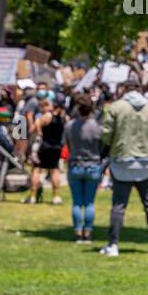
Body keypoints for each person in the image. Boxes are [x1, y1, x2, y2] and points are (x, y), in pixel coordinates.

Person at [99, 79, 148, 257]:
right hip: (147, 162)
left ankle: (113, 245)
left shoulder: (115, 108)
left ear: (124, 89)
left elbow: (106, 134)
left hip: (122, 161)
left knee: (119, 205)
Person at [63, 96, 103, 243]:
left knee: (77, 202)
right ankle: (88, 232)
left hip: (75, 164)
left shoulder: (69, 126)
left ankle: (78, 232)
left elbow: (67, 144)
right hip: (93, 165)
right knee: (89, 202)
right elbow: (102, 146)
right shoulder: (97, 126)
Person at [26, 91, 67, 205]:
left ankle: (33, 196)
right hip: (57, 146)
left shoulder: (47, 116)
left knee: (36, 169)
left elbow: (32, 129)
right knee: (54, 170)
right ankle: (56, 196)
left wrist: (37, 126)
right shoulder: (64, 117)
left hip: (44, 146)